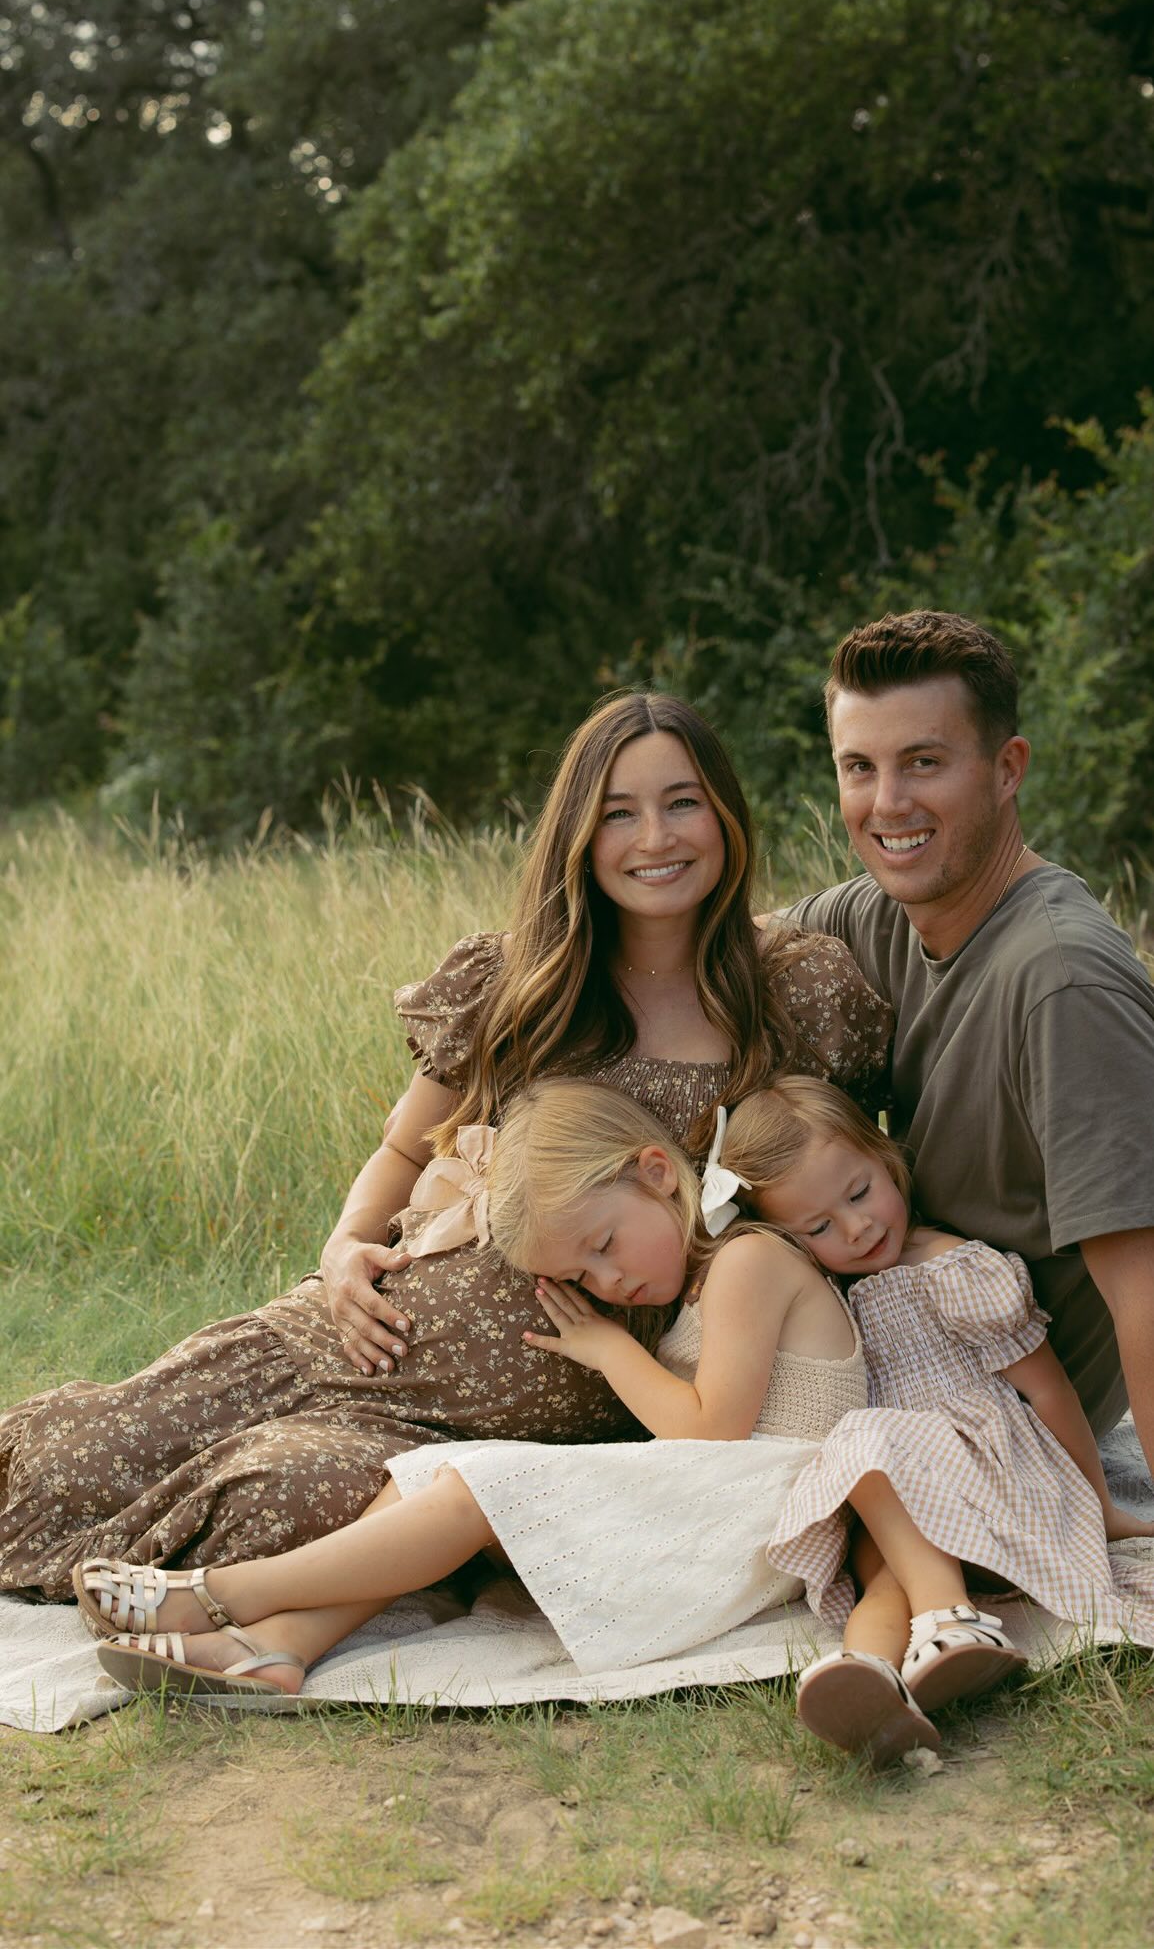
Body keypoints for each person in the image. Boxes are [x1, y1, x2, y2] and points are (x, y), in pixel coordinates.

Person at [0, 693, 891, 1600]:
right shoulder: (521, 983)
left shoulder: (795, 997)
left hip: (493, 1439)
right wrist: (346, 1245)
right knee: (79, 1459)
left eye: (682, 802)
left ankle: (204, 1597)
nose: (654, 837)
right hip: (354, 1336)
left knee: (276, 1500)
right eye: (618, 812)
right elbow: (401, 1151)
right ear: (578, 835)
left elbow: (851, 1180)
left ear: (727, 815)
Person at [80, 1082, 886, 1740]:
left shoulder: (748, 1260)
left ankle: (225, 1592)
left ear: (658, 1173)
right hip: (719, 1504)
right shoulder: (709, 1278)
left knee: (483, 1488)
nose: (607, 1285)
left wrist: (611, 1351)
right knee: (433, 1476)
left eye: (605, 1246)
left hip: (766, 1525)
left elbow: (714, 1431)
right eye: (585, 1274)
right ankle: (274, 1648)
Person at [786, 608, 1154, 1472]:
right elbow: (700, 955)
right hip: (890, 1356)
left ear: (1006, 769)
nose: (888, 804)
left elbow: (1145, 1288)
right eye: (859, 768)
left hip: (1001, 1419)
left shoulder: (1064, 984)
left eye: (924, 762)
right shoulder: (876, 914)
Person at [704, 1080, 1154, 1762]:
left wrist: (1100, 1505)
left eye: (859, 1194)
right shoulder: (822, 1295)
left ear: (887, 1160)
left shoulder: (953, 1267)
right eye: (819, 1227)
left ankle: (952, 1619)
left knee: (865, 1438)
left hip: (987, 1471)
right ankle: (872, 1677)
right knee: (882, 1572)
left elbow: (1049, 1389)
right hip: (901, 1505)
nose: (855, 1228)